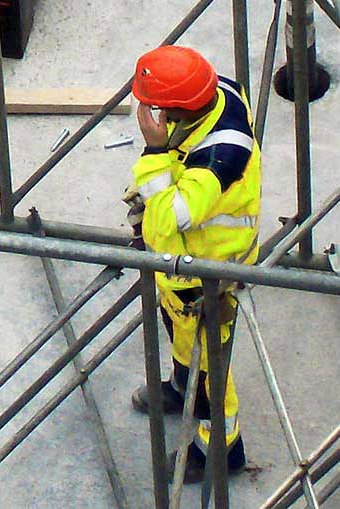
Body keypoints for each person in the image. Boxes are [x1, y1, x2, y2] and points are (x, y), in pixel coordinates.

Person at [125, 45, 261, 484]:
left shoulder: (218, 160)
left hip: (208, 276)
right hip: (180, 272)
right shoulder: (218, 93)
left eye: (153, 110)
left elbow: (167, 219)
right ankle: (181, 388)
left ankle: (220, 449)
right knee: (182, 341)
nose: (146, 115)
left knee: (212, 373)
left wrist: (153, 152)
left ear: (174, 115)